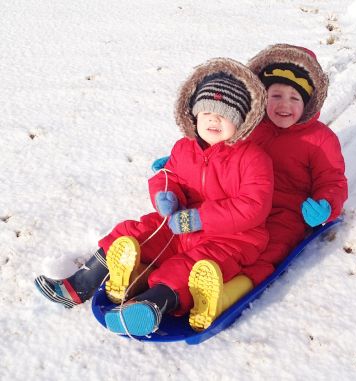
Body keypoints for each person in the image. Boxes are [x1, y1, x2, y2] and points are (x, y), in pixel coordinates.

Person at [35, 58, 274, 337]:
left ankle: (150, 305)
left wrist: (200, 218)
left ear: (241, 121)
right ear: (194, 115)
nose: (214, 119)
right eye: (206, 112)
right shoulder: (185, 148)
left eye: (225, 114)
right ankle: (81, 283)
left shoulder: (253, 158)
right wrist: (166, 194)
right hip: (178, 225)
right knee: (134, 233)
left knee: (190, 267)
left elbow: (253, 207)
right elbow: (168, 174)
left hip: (232, 237)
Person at [187, 44, 348, 330]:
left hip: (285, 212)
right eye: (275, 95)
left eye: (294, 97)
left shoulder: (320, 140)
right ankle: (190, 277)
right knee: (214, 236)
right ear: (262, 96)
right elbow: (221, 145)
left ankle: (228, 293)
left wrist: (325, 204)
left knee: (267, 252)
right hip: (241, 201)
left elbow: (332, 179)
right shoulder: (251, 126)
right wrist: (195, 156)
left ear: (309, 101)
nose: (284, 105)